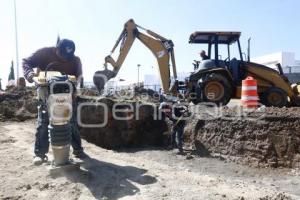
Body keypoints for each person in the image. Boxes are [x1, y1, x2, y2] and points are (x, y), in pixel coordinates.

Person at [22, 39, 87, 165]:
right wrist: (31, 76)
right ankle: (40, 154)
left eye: (68, 57)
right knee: (44, 122)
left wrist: (75, 87)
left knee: (72, 122)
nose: (65, 59)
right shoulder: (44, 53)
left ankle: (78, 150)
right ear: (56, 49)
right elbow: (26, 62)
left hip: (67, 96)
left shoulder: (75, 60)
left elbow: (79, 76)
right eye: (62, 56)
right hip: (47, 94)